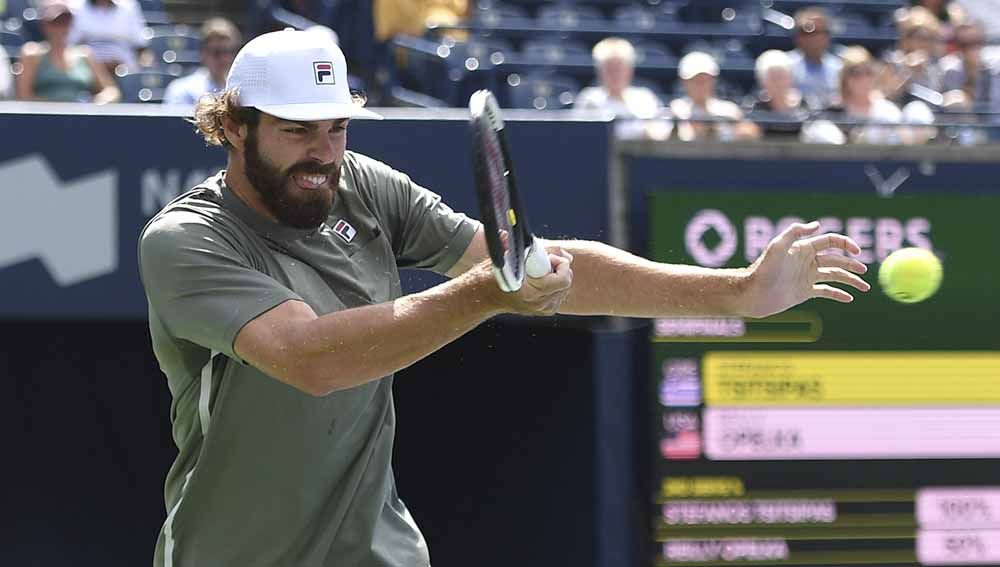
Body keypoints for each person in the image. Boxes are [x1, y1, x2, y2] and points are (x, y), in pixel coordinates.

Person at [138, 29, 869, 567]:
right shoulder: (185, 240)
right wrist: (489, 292)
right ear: (233, 126)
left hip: (376, 550)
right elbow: (310, 359)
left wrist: (736, 293)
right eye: (298, 131)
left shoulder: (363, 184)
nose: (325, 153)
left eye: (336, 127)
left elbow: (542, 264)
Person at [15, 0, 120, 103]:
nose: (61, 27)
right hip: (43, 118)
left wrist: (96, 103)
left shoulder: (84, 54)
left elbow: (111, 90)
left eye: (66, 22)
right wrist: (55, 109)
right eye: (55, 23)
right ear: (44, 25)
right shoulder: (32, 54)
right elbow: (23, 96)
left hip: (81, 118)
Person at [575, 37, 667, 139]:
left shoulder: (645, 98)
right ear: (600, 71)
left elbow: (659, 134)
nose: (615, 74)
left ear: (629, 70)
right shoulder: (590, 100)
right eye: (609, 68)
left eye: (619, 68)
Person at [669, 51, 759, 141]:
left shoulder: (729, 110)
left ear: (714, 81)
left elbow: (752, 133)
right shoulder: (676, 109)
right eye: (695, 80)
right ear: (685, 83)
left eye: (705, 79)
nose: (700, 84)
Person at [830, 46, 904, 144]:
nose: (863, 79)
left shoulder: (887, 110)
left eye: (868, 72)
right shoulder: (834, 110)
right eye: (856, 73)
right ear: (845, 78)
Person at [162, 18, 242, 105]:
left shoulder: (240, 91)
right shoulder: (181, 90)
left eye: (228, 51)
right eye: (217, 52)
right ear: (203, 53)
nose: (224, 58)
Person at [881, 6, 947, 105]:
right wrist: (908, 72)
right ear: (906, 38)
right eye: (916, 36)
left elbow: (940, 98)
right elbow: (886, 97)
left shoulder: (936, 65)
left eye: (927, 38)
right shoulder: (893, 61)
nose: (922, 43)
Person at [786, 7, 843, 111]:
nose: (817, 37)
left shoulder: (839, 68)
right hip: (794, 122)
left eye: (823, 31)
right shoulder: (784, 65)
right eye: (809, 31)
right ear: (798, 36)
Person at [745, 49, 810, 139]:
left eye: (781, 76)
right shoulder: (755, 107)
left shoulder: (805, 105)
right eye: (772, 78)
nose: (778, 83)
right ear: (762, 81)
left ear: (790, 77)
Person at [67, 0, 148, 73]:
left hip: (125, 69)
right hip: (89, 71)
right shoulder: (76, 6)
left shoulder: (129, 6)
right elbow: (70, 44)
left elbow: (141, 46)